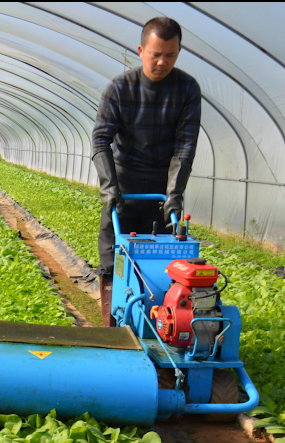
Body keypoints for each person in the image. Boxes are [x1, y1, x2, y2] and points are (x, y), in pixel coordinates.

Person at [91, 17, 201, 327]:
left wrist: (174, 194)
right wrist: (109, 188)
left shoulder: (187, 89)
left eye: (170, 54)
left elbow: (185, 146)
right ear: (141, 50)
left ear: (178, 52)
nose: (162, 61)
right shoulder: (120, 88)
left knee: (163, 261)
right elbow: (101, 140)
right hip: (123, 182)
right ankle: (111, 328)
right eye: (155, 54)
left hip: (160, 184)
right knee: (113, 257)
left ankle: (157, 324)